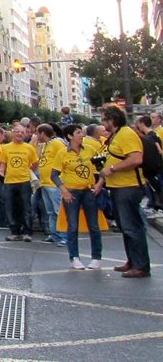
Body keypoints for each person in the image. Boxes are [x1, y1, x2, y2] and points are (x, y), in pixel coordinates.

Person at [96, 107, 151, 278]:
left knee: (132, 227)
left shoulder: (126, 134)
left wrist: (112, 168)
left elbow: (136, 159)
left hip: (129, 187)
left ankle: (140, 265)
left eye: (104, 119)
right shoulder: (117, 135)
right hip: (118, 186)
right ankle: (133, 261)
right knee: (125, 227)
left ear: (112, 120)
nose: (102, 123)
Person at [55, 124, 102, 270]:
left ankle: (96, 257)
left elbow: (102, 168)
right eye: (78, 133)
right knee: (73, 226)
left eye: (81, 132)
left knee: (94, 225)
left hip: (88, 191)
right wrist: (64, 191)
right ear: (70, 136)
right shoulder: (62, 153)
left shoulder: (90, 149)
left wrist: (99, 184)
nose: (82, 135)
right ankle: (74, 257)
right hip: (72, 192)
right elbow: (54, 175)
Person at [0, 125, 38, 243]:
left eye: (22, 132)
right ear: (12, 134)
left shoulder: (29, 148)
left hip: (24, 181)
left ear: (25, 134)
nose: (19, 134)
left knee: (26, 207)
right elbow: (3, 163)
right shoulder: (5, 148)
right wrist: (2, 173)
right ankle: (15, 232)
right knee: (10, 208)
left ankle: (27, 232)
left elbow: (34, 163)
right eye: (17, 131)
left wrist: (27, 171)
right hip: (9, 182)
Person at [36, 124, 67, 246]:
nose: (36, 136)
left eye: (37, 133)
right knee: (51, 212)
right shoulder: (46, 145)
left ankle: (64, 236)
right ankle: (55, 235)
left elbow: (64, 157)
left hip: (54, 184)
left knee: (58, 211)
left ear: (43, 133)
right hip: (45, 182)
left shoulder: (57, 143)